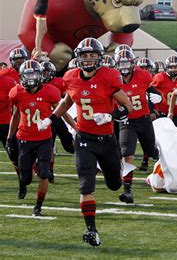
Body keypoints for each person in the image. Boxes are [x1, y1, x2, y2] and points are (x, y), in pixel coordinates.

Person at [41, 37, 133, 246]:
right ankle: (91, 230)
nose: (89, 59)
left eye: (92, 55)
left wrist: (110, 116)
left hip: (107, 139)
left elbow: (128, 107)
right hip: (84, 138)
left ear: (100, 58)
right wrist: (51, 118)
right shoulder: (71, 77)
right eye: (84, 55)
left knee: (113, 184)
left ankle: (117, 172)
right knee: (86, 185)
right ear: (78, 58)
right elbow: (66, 101)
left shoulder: (110, 77)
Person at [7, 60, 61, 216]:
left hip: (44, 138)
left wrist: (75, 127)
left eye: (34, 74)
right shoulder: (17, 92)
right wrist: (10, 138)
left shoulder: (50, 91)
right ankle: (27, 177)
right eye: (28, 75)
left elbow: (60, 110)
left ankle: (38, 205)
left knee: (44, 173)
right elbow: (16, 115)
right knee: (26, 179)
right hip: (24, 139)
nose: (31, 78)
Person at [114, 49, 160, 203]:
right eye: (122, 63)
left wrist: (156, 97)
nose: (125, 66)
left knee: (151, 151)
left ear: (133, 64)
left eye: (127, 62)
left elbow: (151, 91)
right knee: (127, 154)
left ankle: (163, 168)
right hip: (126, 121)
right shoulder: (113, 79)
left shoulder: (143, 75)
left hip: (144, 119)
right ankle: (127, 190)